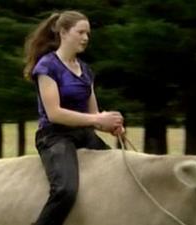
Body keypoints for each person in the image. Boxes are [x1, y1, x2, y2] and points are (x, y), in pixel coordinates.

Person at [23, 10, 125, 225]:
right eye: (80, 32)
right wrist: (97, 120)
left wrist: (110, 124)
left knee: (121, 177)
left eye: (88, 33)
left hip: (83, 135)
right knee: (65, 190)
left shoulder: (86, 71)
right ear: (63, 33)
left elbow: (92, 114)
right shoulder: (47, 66)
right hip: (54, 137)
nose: (86, 38)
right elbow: (55, 113)